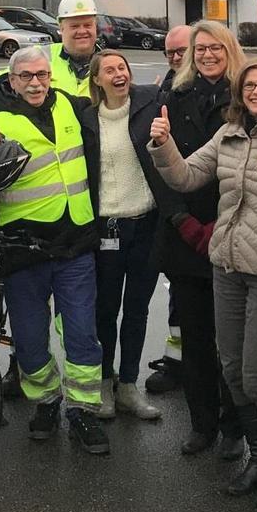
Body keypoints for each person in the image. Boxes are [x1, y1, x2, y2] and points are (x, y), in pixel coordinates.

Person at [150, 59, 257, 506]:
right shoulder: (229, 133)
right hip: (226, 265)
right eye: (250, 85)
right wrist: (162, 146)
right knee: (231, 369)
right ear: (240, 93)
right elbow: (185, 176)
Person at [0, 46, 109, 455]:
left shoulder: (73, 108)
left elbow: (118, 103)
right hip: (23, 249)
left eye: (42, 74)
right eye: (26, 76)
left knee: (81, 334)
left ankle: (83, 412)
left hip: (75, 243)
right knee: (29, 340)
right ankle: (45, 403)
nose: (36, 83)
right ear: (11, 79)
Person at [153, 19, 245, 459]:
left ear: (230, 51)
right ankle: (201, 423)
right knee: (195, 339)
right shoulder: (174, 97)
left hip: (232, 235)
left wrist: (221, 223)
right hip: (186, 238)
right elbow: (162, 166)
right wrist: (181, 221)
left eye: (216, 48)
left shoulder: (245, 99)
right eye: (200, 48)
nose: (208, 55)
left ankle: (233, 427)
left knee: (232, 343)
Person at [82, 52, 166, 422]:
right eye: (110, 70)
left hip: (145, 224)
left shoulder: (150, 103)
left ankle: (130, 385)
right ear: (97, 80)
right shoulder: (85, 119)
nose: (119, 74)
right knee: (104, 310)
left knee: (137, 309)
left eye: (123, 68)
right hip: (106, 229)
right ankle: (105, 383)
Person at [145, 23, 192, 395]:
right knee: (180, 294)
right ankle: (179, 363)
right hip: (173, 212)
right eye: (171, 52)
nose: (177, 58)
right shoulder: (167, 88)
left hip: (204, 214)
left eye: (183, 50)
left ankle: (199, 365)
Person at [47, 0, 103, 97]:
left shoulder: (110, 63)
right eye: (75, 26)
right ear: (61, 28)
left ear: (95, 26)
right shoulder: (40, 57)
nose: (82, 31)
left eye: (87, 25)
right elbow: (8, 81)